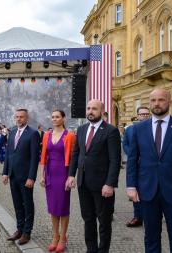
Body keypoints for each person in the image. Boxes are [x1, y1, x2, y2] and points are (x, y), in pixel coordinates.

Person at [126, 88, 172, 253]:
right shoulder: (138, 129)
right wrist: (131, 186)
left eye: (161, 100)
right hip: (147, 191)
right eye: (153, 100)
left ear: (170, 102)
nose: (156, 104)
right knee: (150, 237)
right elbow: (132, 160)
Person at [65, 100, 121, 253]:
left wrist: (110, 184)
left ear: (102, 111)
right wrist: (71, 175)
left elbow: (115, 160)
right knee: (88, 219)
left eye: (94, 109)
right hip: (83, 183)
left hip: (103, 186)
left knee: (104, 222)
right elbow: (76, 154)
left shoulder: (111, 131)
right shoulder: (81, 129)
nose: (90, 111)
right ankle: (91, 249)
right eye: (88, 108)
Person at [40, 110, 75, 252]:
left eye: (57, 117)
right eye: (53, 117)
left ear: (63, 118)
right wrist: (42, 175)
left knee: (63, 207)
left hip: (64, 173)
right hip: (50, 173)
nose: (54, 119)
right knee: (53, 207)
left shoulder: (70, 136)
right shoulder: (47, 135)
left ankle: (63, 237)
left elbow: (73, 158)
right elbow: (43, 156)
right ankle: (55, 236)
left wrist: (71, 176)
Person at [2, 109, 40, 245]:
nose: (19, 119)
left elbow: (34, 158)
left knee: (28, 205)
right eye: (17, 117)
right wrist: (5, 172)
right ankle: (19, 229)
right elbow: (8, 155)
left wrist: (31, 177)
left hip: (25, 177)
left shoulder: (33, 134)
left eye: (21, 117)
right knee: (17, 204)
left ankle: (27, 233)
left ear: (27, 118)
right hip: (13, 176)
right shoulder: (12, 132)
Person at [122, 106, 150, 228]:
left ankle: (150, 216)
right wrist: (133, 155)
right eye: (142, 114)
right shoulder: (129, 130)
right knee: (135, 190)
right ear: (137, 115)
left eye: (146, 114)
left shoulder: (153, 128)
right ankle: (137, 216)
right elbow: (125, 144)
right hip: (134, 164)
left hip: (148, 165)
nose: (144, 116)